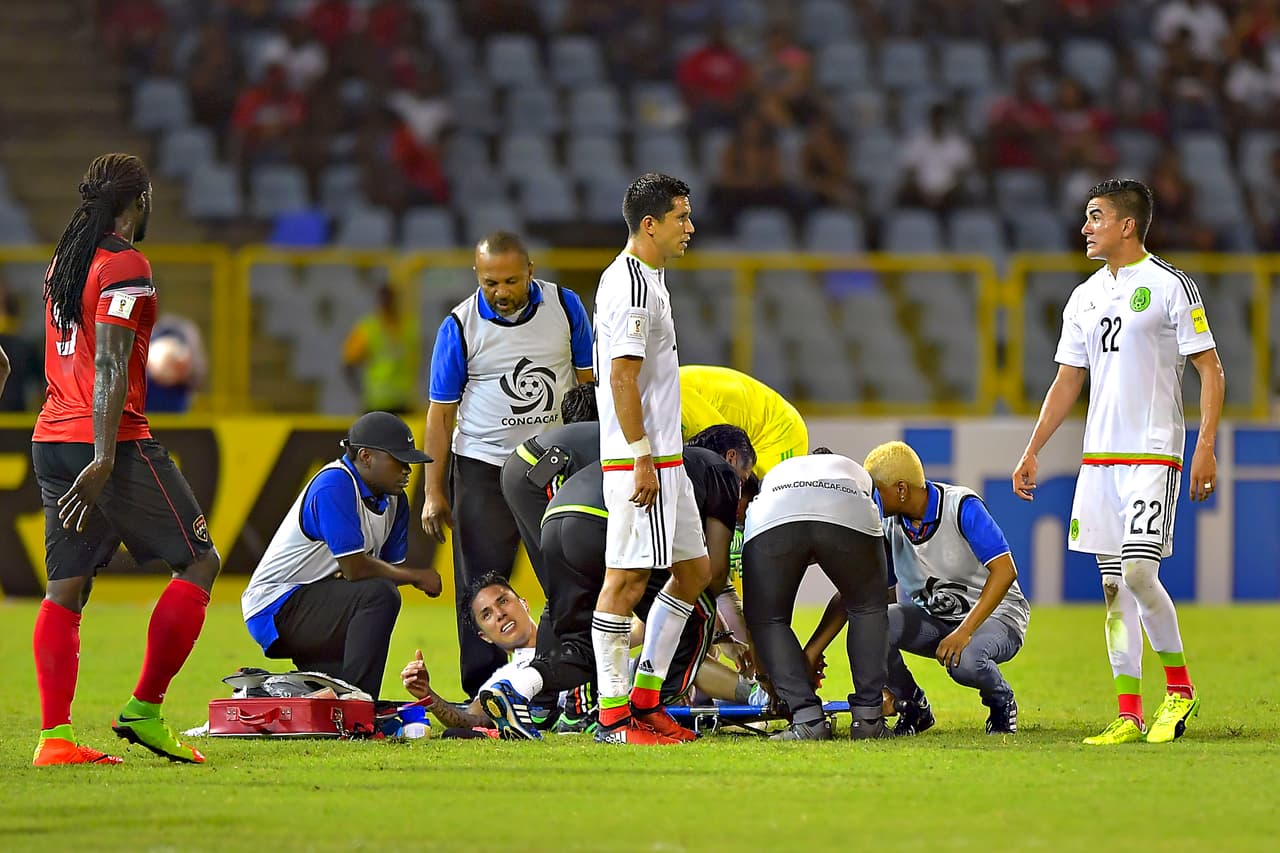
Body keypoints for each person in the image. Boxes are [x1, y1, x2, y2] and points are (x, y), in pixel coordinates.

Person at [1012, 178, 1225, 745]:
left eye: (1095, 217)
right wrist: (1033, 448)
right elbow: (1068, 379)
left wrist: (1205, 446)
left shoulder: (1170, 286)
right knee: (1113, 590)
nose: (1085, 228)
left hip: (1153, 452)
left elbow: (1210, 368)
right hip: (1100, 460)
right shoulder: (1084, 297)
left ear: (1127, 225)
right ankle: (1129, 712)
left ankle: (1179, 690)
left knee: (1138, 574)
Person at [30, 153, 221, 766]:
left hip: (51, 436)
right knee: (199, 561)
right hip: (108, 441)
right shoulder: (125, 264)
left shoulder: (65, 261)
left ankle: (55, 739)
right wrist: (107, 455)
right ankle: (145, 709)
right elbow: (111, 361)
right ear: (139, 201)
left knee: (65, 588)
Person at [478, 438, 753, 741]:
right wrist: (739, 643)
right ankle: (646, 709)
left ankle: (518, 687)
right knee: (694, 614)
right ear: (732, 461)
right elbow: (713, 574)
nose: (740, 510)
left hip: (555, 519)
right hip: (605, 518)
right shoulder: (719, 473)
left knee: (583, 647)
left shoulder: (679, 462)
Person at [422, 230, 594, 697]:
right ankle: (482, 694)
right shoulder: (459, 326)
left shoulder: (566, 307)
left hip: (552, 466)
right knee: (478, 586)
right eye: (490, 282)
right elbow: (440, 415)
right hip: (483, 468)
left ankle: (568, 675)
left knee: (567, 573)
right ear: (477, 276)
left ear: (530, 272)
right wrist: (433, 492)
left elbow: (588, 386)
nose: (500, 292)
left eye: (511, 281)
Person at [583, 172, 710, 745]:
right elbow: (621, 378)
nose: (690, 227)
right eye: (681, 217)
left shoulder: (649, 280)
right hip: (641, 459)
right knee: (626, 581)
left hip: (665, 458)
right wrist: (639, 456)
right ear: (650, 224)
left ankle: (645, 699)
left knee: (694, 571)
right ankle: (613, 717)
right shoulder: (631, 285)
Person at [241, 411, 442, 701]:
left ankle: (274, 692)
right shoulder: (335, 483)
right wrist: (417, 576)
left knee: (326, 694)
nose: (407, 470)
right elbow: (356, 569)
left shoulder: (395, 500)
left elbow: (381, 571)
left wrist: (400, 576)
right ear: (366, 456)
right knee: (379, 595)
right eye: (398, 460)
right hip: (275, 607)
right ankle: (358, 702)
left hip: (322, 602)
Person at [865, 441, 1029, 736]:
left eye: (876, 490)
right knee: (873, 625)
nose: (872, 498)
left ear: (901, 489)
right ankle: (912, 705)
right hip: (939, 620)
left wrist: (964, 632)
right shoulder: (888, 524)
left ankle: (1001, 701)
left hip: (999, 616)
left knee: (966, 662)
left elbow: (1006, 572)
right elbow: (885, 596)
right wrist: (884, 672)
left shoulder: (961, 506)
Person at [742, 449, 893, 741]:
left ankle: (807, 719)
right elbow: (872, 598)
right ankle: (868, 720)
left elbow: (758, 622)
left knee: (767, 620)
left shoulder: (780, 473)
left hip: (774, 512)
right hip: (847, 506)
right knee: (869, 607)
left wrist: (777, 674)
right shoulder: (855, 475)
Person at [499, 382, 600, 591]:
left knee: (554, 571)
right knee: (565, 564)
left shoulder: (567, 440)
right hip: (533, 474)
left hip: (517, 468)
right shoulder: (600, 439)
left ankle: (560, 604)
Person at [679, 364, 808, 478]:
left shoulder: (680, 406)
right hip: (754, 426)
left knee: (741, 487)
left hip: (781, 433)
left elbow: (722, 452)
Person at [342, 282, 421, 415]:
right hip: (377, 404)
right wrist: (362, 392)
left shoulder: (408, 327)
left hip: (404, 402)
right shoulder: (369, 329)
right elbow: (348, 364)